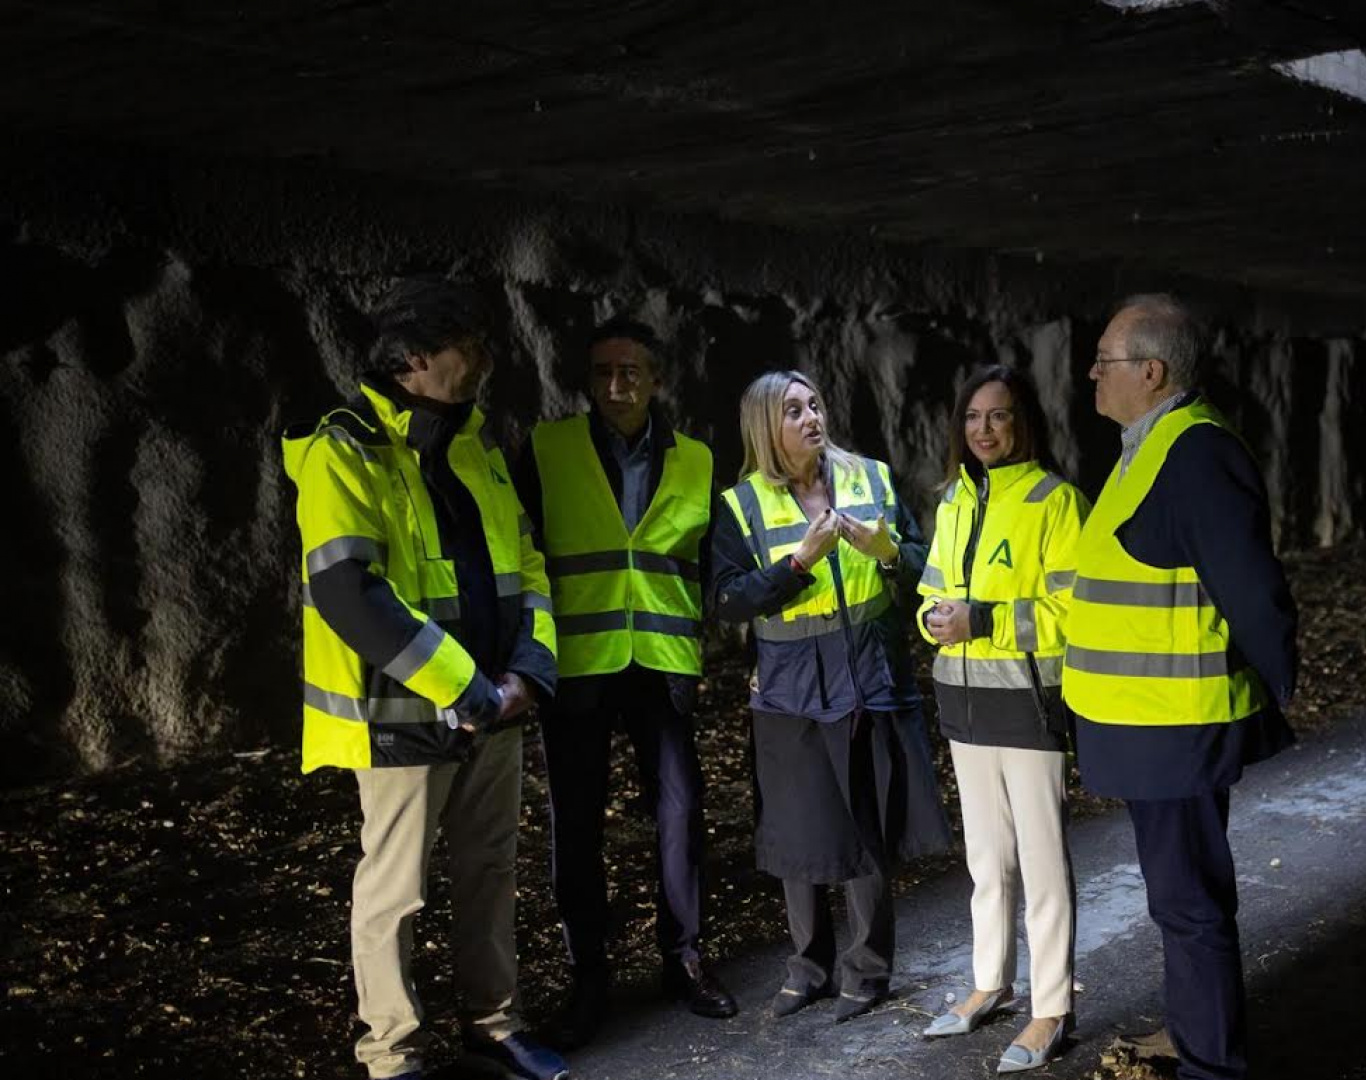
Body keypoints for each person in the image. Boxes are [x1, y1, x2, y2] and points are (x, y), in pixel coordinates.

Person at [282, 278, 569, 1080]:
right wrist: (470, 691)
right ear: (411, 360)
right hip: (401, 719)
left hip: (497, 706)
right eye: (466, 348)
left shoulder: (478, 446)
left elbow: (527, 566)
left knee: (489, 872)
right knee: (396, 892)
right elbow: (348, 592)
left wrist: (530, 671)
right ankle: (393, 1055)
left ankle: (494, 1024)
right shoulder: (343, 449)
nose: (483, 361)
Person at [1062, 294, 1300, 1080]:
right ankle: (1197, 1034)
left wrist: (1273, 684)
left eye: (1105, 359)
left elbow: (1251, 587)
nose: (1091, 372)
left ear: (1152, 372)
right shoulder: (1147, 448)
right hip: (1145, 723)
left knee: (1189, 903)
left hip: (1176, 726)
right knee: (1179, 899)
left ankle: (1212, 1065)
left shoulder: (1195, 454)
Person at [512, 318, 737, 1048]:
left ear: (656, 381)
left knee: (681, 815)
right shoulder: (546, 449)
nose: (615, 385)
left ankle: (685, 959)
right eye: (603, 372)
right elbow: (520, 554)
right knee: (576, 825)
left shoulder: (698, 459)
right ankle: (589, 977)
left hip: (662, 666)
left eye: (630, 372)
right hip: (578, 664)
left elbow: (713, 563)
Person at [710, 369, 952, 1022]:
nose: (811, 417)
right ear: (766, 426)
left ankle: (867, 971)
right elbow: (728, 601)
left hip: (866, 676)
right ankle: (808, 969)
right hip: (789, 686)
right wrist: (797, 565)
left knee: (865, 830)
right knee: (801, 834)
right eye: (793, 410)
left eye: (814, 404)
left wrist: (889, 551)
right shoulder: (740, 504)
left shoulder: (871, 478)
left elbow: (922, 569)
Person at [916, 366, 1088, 1073]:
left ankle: (1052, 1008)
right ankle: (990, 983)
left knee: (1042, 863)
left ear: (1024, 422)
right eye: (972, 417)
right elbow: (930, 591)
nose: (983, 429)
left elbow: (1073, 612)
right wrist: (933, 619)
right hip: (963, 703)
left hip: (1028, 705)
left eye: (998, 416)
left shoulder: (1055, 500)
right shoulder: (954, 500)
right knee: (986, 860)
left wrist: (981, 620)